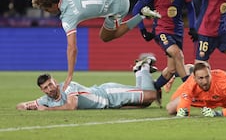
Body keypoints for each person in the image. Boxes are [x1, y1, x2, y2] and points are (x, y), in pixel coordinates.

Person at [22, 0, 170, 91]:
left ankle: (141, 15)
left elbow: (72, 48)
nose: (48, 12)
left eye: (47, 10)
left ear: (52, 6)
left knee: (106, 36)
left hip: (119, 8)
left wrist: (69, 75)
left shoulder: (68, 17)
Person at [132, 0, 198, 102]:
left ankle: (154, 88)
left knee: (172, 69)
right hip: (161, 30)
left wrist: (193, 27)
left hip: (178, 31)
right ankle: (191, 93)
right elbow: (136, 9)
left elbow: (191, 8)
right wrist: (143, 29)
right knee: (177, 54)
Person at [16, 56, 158, 110]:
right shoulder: (45, 99)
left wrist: (47, 110)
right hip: (109, 107)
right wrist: (27, 106)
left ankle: (143, 68)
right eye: (46, 88)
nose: (50, 89)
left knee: (151, 95)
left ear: (56, 83)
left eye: (51, 84)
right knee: (145, 104)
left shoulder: (68, 87)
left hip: (109, 95)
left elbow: (72, 106)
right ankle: (139, 70)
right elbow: (21, 106)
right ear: (43, 91)